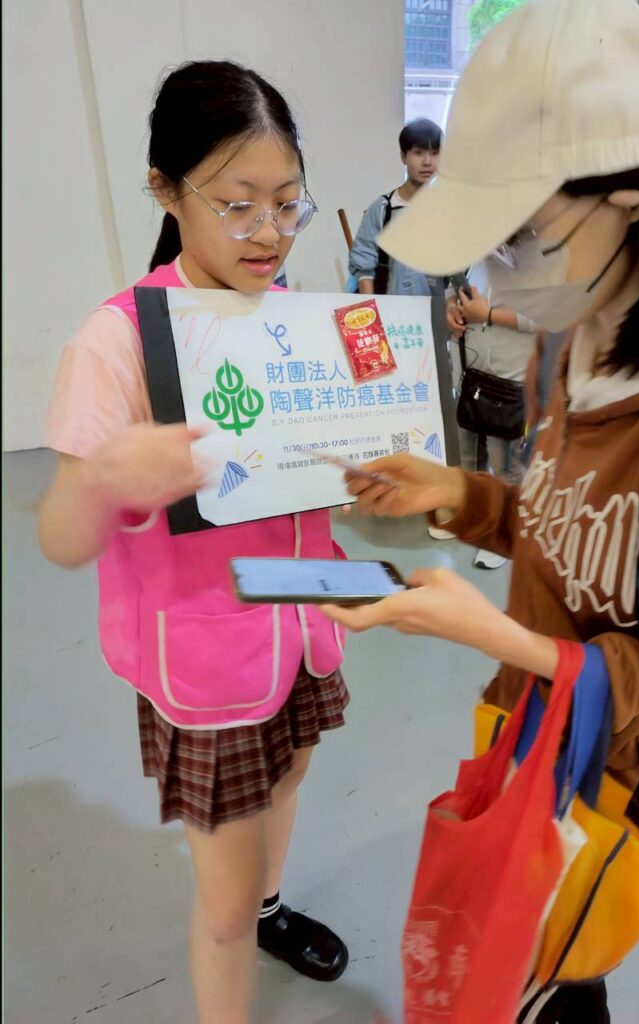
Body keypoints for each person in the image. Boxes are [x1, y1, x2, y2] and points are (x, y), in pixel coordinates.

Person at [319, 1, 639, 1020]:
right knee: (542, 970)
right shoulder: (577, 343)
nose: (499, 273)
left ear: (631, 204)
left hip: (621, 800)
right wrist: (464, 496)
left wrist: (503, 640)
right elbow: (566, 532)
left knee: (559, 973)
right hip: (538, 743)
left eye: (522, 235)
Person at [38, 61, 349, 1024]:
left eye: (288, 203)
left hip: (302, 620)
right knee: (219, 905)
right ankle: (243, 925)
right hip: (209, 661)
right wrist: (103, 480)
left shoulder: (294, 315)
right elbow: (58, 535)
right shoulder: (118, 341)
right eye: (238, 205)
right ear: (166, 191)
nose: (269, 233)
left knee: (290, 773)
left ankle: (270, 905)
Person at [444, 263, 536, 568]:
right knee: (467, 452)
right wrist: (451, 307)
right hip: (468, 370)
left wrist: (489, 315)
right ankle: (473, 517)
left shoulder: (537, 256)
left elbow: (551, 319)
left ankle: (506, 532)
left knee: (505, 462)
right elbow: (453, 287)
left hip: (511, 376)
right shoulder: (475, 254)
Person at [348, 118, 442, 296]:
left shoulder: (447, 210)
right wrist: (373, 306)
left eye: (434, 153)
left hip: (436, 308)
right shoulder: (383, 209)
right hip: (392, 307)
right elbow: (363, 261)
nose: (427, 161)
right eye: (418, 153)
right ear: (403, 156)